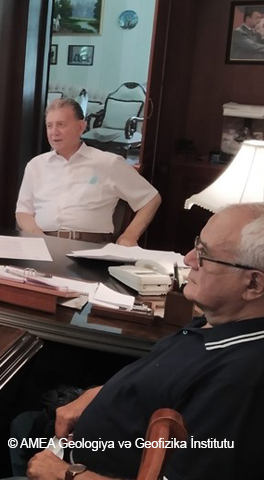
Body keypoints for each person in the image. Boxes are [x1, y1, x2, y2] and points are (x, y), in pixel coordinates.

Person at [14, 203, 264, 480]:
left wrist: (66, 474)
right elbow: (165, 384)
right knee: (19, 423)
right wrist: (96, 395)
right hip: (74, 437)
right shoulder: (220, 322)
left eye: (205, 255)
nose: (188, 259)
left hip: (73, 468)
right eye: (196, 245)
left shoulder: (240, 380)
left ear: (253, 284)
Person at [15, 98, 161, 246]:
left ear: (81, 127)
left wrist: (129, 236)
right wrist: (37, 235)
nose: (54, 132)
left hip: (90, 247)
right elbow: (23, 211)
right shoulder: (36, 165)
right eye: (49, 126)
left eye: (61, 125)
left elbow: (151, 199)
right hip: (43, 244)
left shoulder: (108, 163)